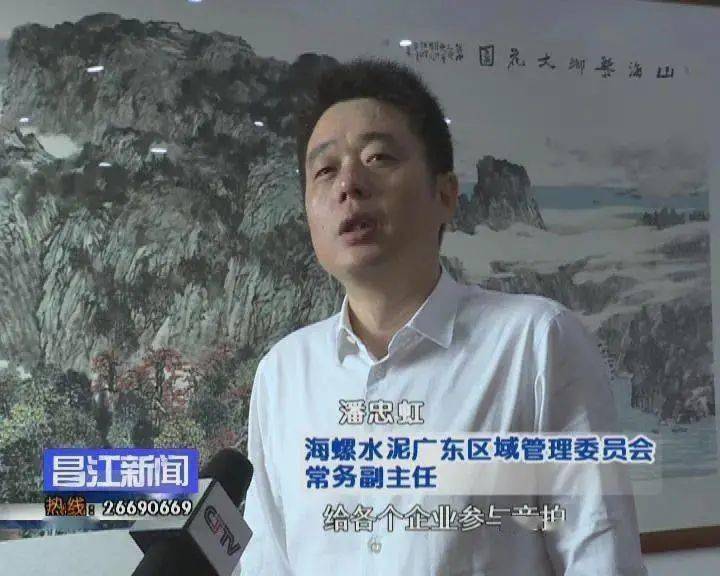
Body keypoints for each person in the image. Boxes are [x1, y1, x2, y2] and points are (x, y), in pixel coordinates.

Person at [237, 57, 647, 575]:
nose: (349, 184)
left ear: (446, 194)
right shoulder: (283, 373)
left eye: (378, 157)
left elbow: (602, 561)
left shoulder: (536, 343)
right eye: (325, 170)